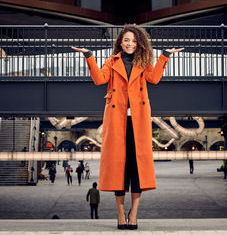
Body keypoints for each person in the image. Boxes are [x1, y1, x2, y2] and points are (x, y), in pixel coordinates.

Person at [72, 24, 184, 230]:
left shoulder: (144, 62)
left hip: (139, 120)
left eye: (133, 40)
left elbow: (155, 78)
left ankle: (134, 213)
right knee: (119, 168)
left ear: (139, 42)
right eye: (126, 40)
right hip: (117, 119)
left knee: (137, 168)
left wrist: (165, 56)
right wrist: (88, 56)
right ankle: (121, 213)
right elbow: (99, 79)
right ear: (120, 43)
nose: (130, 44)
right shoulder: (111, 62)